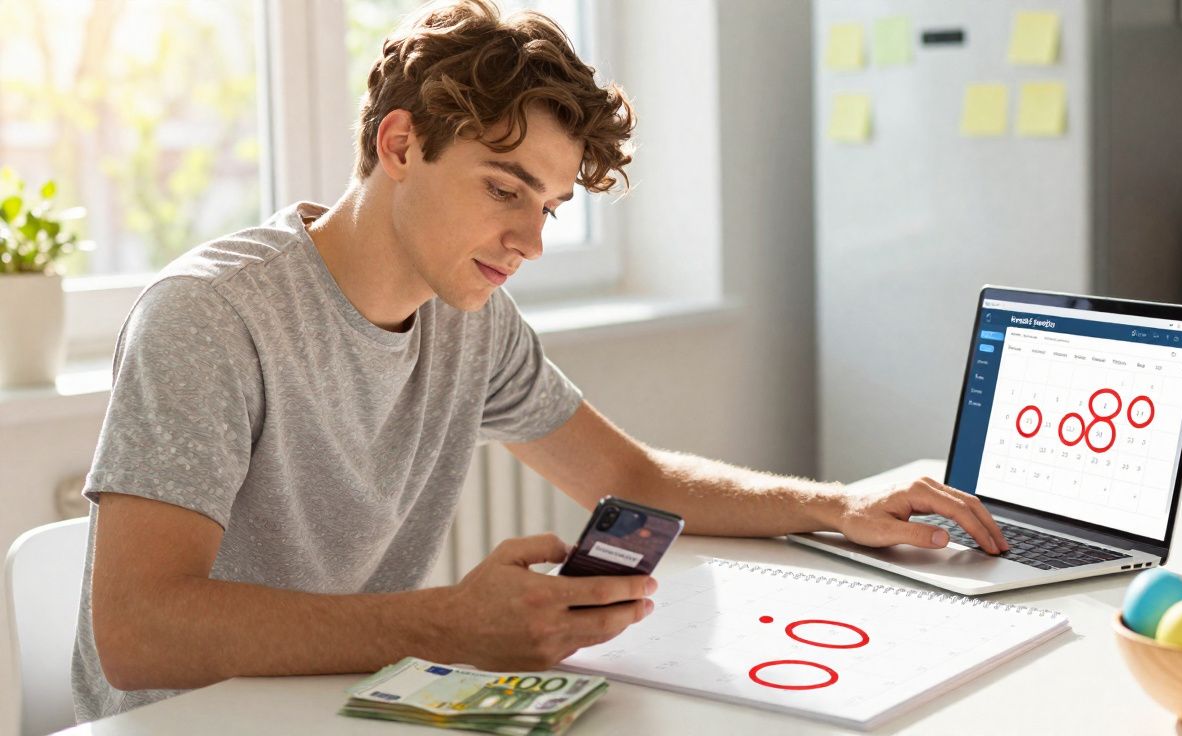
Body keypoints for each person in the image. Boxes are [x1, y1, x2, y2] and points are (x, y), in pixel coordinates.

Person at [71, 0, 1009, 721]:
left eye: (550, 206)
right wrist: (444, 625)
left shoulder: (469, 317)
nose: (529, 239)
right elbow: (137, 630)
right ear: (399, 144)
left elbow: (632, 476)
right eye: (503, 188)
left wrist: (837, 504)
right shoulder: (210, 317)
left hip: (347, 705)